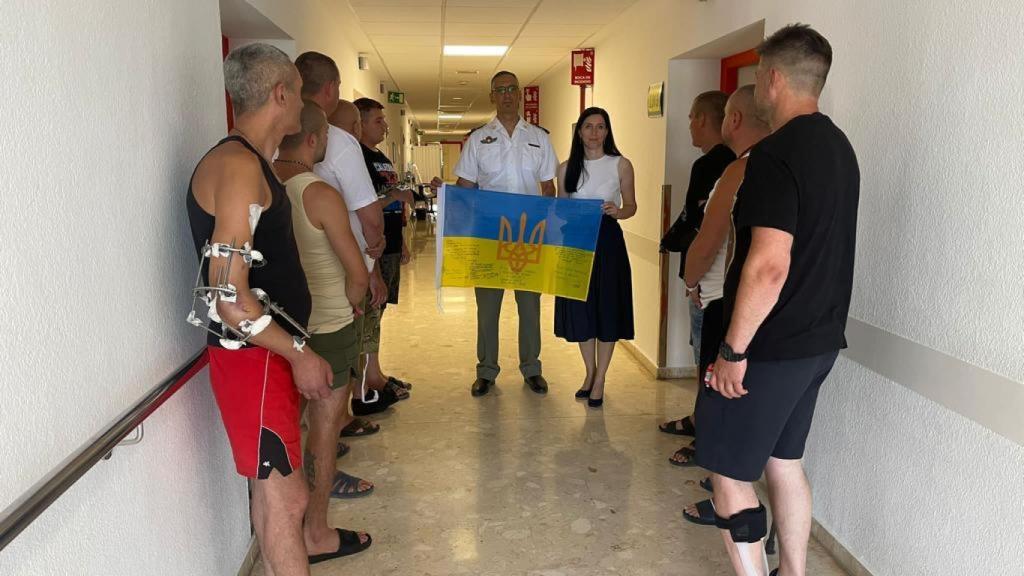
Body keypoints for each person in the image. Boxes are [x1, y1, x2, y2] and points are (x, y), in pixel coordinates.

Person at [697, 24, 859, 576]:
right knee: (784, 462)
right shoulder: (839, 148)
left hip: (769, 348)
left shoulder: (775, 155)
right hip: (818, 342)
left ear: (772, 79)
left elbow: (769, 264)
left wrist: (733, 351)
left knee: (726, 470)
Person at [186, 43, 332, 576]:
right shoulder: (238, 167)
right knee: (286, 500)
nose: (303, 104)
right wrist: (298, 353)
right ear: (280, 94)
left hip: (264, 358)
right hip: (255, 359)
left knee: (277, 497)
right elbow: (227, 298)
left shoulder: (252, 165)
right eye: (298, 90)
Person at [274, 100, 374, 563]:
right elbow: (356, 272)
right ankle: (315, 531)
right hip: (330, 327)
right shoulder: (318, 193)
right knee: (324, 432)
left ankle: (282, 529)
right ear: (315, 139)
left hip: (277, 331)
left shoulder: (263, 181)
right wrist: (358, 303)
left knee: (285, 427)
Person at [670, 85, 770, 521]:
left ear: (734, 119)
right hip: (760, 307)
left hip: (722, 300)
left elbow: (707, 240)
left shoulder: (737, 170)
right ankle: (728, 487)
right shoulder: (779, 166)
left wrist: (690, 280)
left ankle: (727, 496)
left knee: (719, 392)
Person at [454, 70, 558, 397]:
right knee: (488, 308)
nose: (507, 94)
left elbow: (549, 188)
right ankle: (486, 370)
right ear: (492, 96)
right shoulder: (477, 139)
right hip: (489, 234)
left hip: (529, 234)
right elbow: (465, 188)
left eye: (513, 88)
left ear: (521, 94)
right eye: (500, 90)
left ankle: (532, 368)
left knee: (529, 306)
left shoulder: (539, 138)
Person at [659, 91, 735, 439]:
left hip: (708, 283)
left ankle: (705, 428)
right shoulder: (737, 160)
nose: (689, 124)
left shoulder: (710, 166)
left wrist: (692, 280)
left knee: (704, 353)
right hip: (726, 284)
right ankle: (700, 418)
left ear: (703, 119)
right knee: (711, 352)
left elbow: (701, 227)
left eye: (691, 117)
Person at [553, 107, 636, 408]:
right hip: (576, 240)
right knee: (581, 309)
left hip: (607, 241)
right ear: (579, 131)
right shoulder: (565, 168)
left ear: (607, 131)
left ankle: (601, 378)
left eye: (601, 127)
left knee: (607, 308)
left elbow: (631, 206)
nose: (594, 133)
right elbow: (560, 207)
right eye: (589, 127)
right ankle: (589, 373)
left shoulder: (621, 164)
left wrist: (619, 211)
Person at [355, 97, 416, 398]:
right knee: (370, 313)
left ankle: (376, 372)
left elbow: (391, 204)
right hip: (372, 248)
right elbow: (362, 208)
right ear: (360, 123)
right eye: (378, 120)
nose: (385, 125)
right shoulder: (358, 159)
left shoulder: (381, 157)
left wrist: (401, 239)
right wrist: (394, 197)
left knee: (379, 315)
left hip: (390, 242)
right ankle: (369, 379)